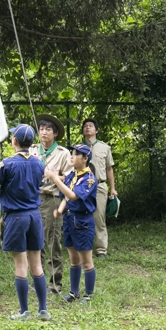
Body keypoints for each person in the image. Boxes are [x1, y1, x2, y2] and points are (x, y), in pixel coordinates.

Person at [0, 124, 50, 321]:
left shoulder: (7, 164)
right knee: (37, 265)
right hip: (35, 216)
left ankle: (24, 311)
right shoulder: (38, 163)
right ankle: (43, 310)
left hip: (16, 218)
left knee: (21, 266)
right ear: (31, 142)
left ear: (14, 141)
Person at [45, 144, 98, 304]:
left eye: (76, 154)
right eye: (72, 153)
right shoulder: (71, 176)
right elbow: (65, 198)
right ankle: (74, 292)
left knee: (86, 261)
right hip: (69, 220)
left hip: (83, 221)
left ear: (85, 159)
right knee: (74, 259)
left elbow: (73, 195)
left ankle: (88, 294)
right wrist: (60, 210)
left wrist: (55, 179)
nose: (72, 156)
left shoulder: (89, 179)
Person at [30, 114, 72, 294]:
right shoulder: (32, 149)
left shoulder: (63, 153)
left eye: (48, 130)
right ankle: (37, 281)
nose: (44, 133)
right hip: (32, 199)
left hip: (52, 199)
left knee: (52, 241)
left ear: (55, 134)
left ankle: (55, 284)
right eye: (41, 129)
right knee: (33, 241)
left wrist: (54, 176)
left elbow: (71, 178)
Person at [82, 118, 118, 258]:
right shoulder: (78, 148)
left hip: (100, 186)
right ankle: (84, 246)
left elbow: (109, 169)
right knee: (82, 216)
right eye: (85, 126)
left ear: (96, 130)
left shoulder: (105, 148)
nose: (87, 128)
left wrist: (112, 188)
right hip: (82, 186)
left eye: (90, 126)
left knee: (99, 217)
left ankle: (101, 249)